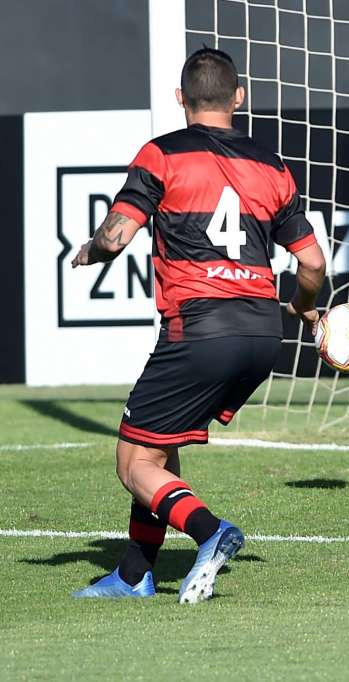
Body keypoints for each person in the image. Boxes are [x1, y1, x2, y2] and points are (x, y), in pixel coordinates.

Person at [71, 48, 326, 600]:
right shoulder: (273, 166)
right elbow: (312, 264)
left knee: (133, 462)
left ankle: (210, 532)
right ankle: (135, 575)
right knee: (159, 448)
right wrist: (305, 309)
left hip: (201, 329)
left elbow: (116, 237)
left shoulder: (162, 155)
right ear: (239, 98)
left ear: (181, 99)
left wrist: (92, 249)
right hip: (263, 333)